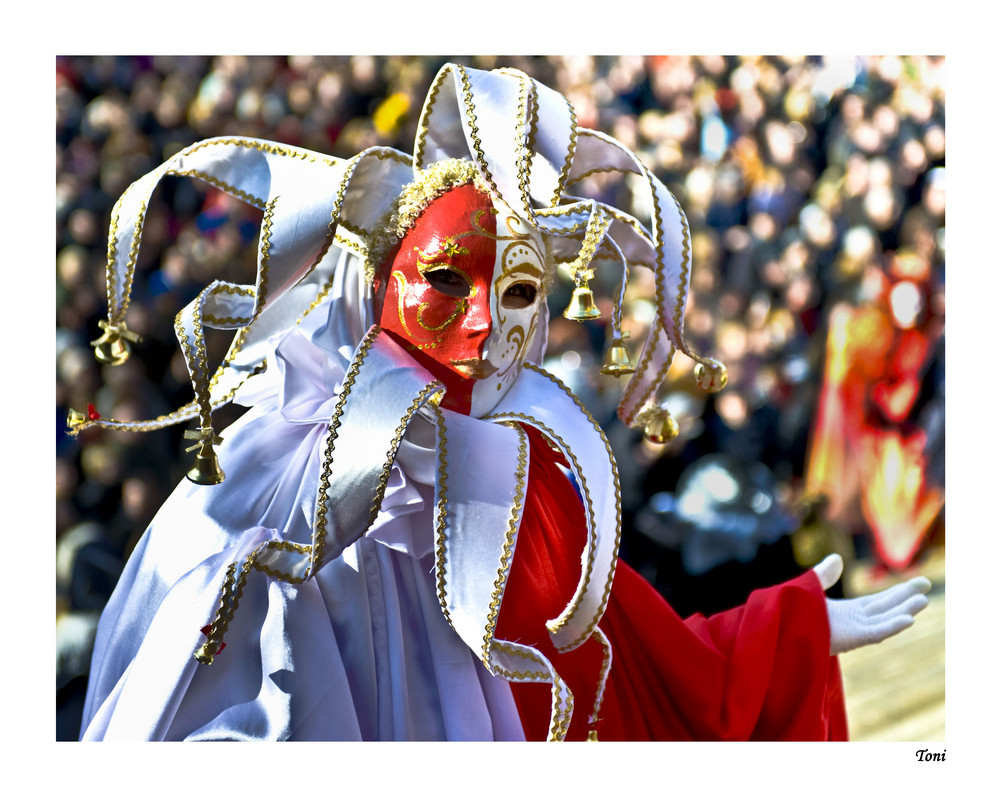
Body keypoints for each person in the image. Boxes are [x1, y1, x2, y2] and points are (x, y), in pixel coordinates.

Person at [71, 63, 930, 741]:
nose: (484, 321)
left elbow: (626, 676)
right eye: (445, 279)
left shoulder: (521, 493)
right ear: (374, 286)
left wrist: (785, 635)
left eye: (515, 290)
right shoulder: (267, 479)